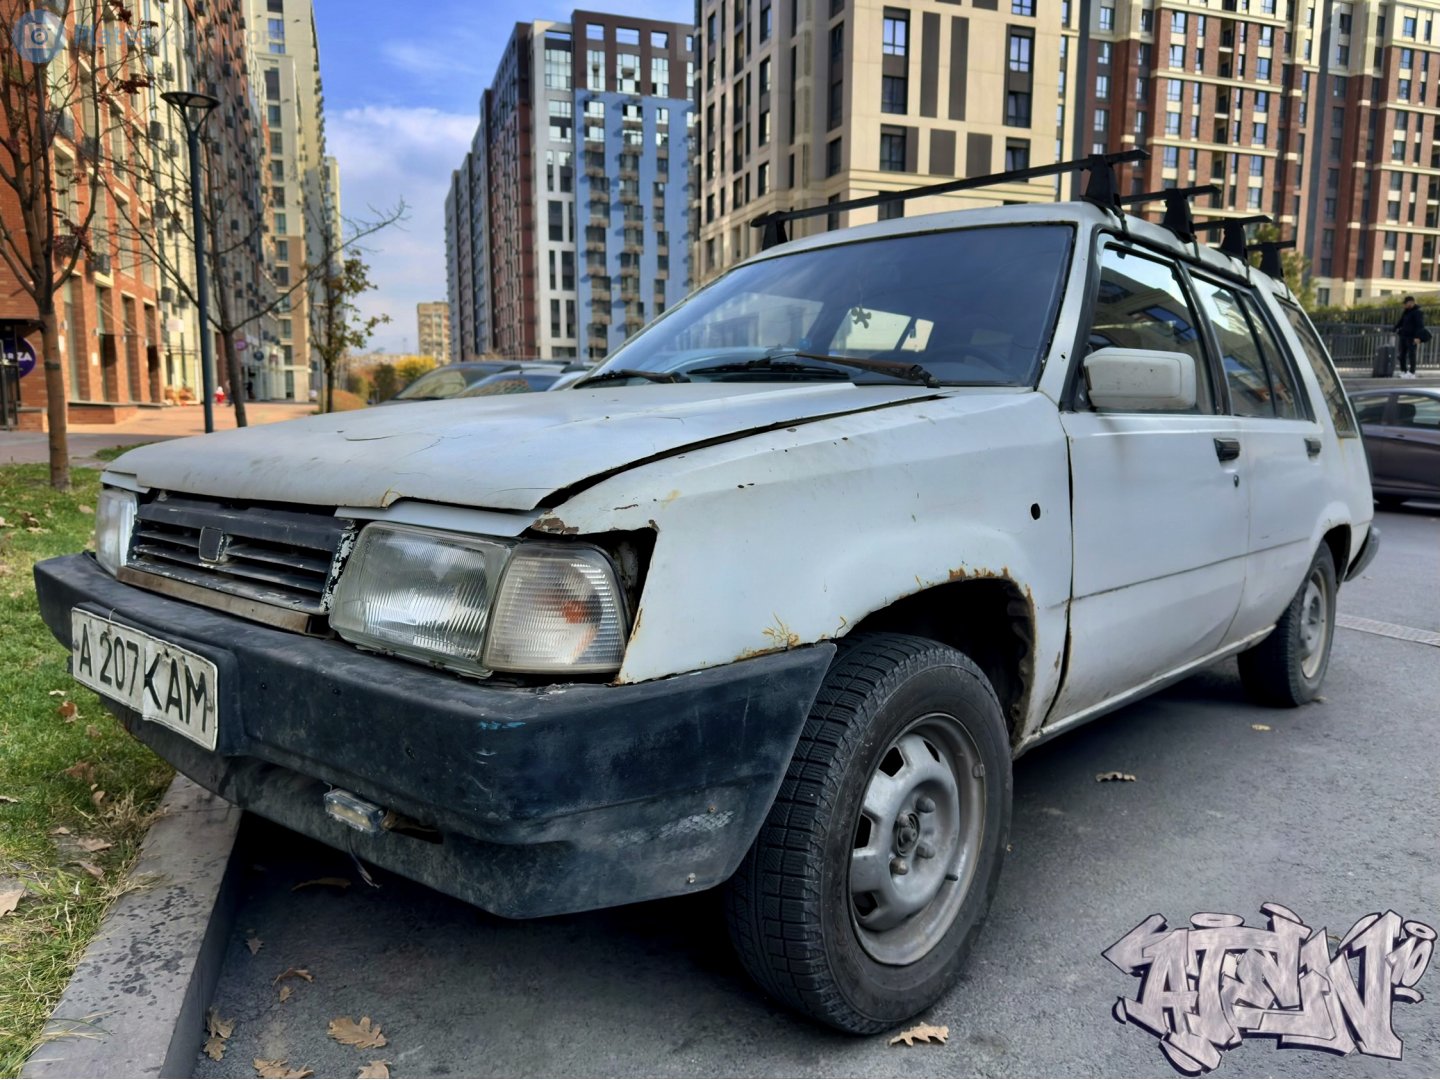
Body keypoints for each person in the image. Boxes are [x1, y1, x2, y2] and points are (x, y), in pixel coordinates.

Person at [1393, 296, 1425, 379]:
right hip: (1403, 335)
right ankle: (1404, 371)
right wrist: (1395, 328)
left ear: (1411, 302)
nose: (1404, 305)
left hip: (1412, 337)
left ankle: (1412, 372)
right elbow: (1401, 321)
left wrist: (1418, 337)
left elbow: (1420, 326)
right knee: (1402, 354)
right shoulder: (1406, 312)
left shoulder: (1418, 312)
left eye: (1405, 303)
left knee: (1412, 354)